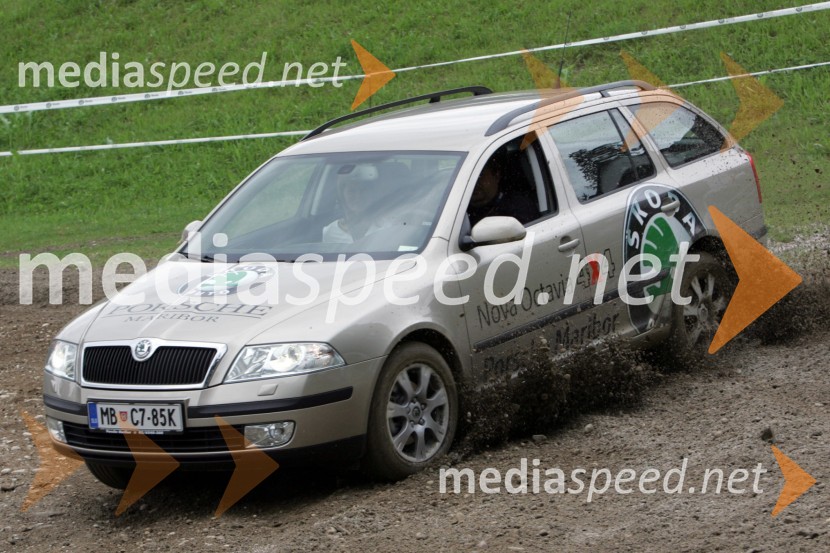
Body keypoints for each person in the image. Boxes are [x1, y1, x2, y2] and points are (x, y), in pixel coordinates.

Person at [467, 151, 538, 227]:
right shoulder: (459, 211)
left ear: (496, 175)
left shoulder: (518, 208)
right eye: (468, 177)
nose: (473, 182)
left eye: (480, 176)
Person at [323, 164, 382, 243]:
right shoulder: (330, 232)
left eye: (363, 190)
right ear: (342, 195)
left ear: (372, 194)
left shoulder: (387, 228)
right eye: (351, 191)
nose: (358, 196)